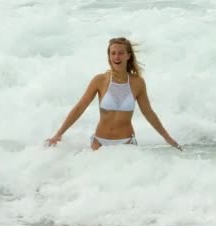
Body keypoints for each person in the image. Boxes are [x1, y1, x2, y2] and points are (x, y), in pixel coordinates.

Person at [46, 37, 182, 151]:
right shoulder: (100, 80)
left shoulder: (137, 83)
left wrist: (168, 138)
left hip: (126, 144)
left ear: (128, 55)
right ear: (109, 56)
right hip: (100, 144)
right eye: (113, 53)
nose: (116, 57)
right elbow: (79, 108)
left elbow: (149, 113)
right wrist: (59, 134)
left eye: (121, 53)